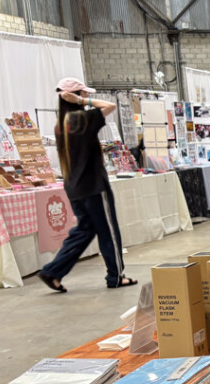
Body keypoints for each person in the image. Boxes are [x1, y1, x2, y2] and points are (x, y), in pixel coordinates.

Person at [37, 77, 137, 292]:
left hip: (74, 186)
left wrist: (77, 101)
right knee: (108, 230)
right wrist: (82, 102)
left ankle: (52, 271)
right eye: (84, 93)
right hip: (93, 185)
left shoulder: (61, 124)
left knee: (85, 230)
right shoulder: (81, 118)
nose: (88, 96)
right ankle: (116, 276)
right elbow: (110, 106)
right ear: (74, 96)